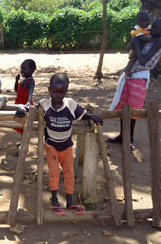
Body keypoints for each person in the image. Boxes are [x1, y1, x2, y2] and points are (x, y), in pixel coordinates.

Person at [38, 73, 103, 215]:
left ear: (66, 91)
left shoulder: (71, 104)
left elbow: (83, 114)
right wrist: (22, 109)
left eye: (61, 92)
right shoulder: (45, 103)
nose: (57, 95)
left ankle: (69, 201)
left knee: (69, 173)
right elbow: (30, 108)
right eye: (54, 91)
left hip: (67, 146)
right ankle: (55, 199)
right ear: (49, 89)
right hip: (51, 145)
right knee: (54, 173)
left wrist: (92, 116)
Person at [107, 17, 161, 151]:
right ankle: (122, 136)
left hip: (140, 79)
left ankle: (129, 138)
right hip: (130, 76)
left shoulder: (159, 42)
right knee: (124, 108)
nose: (153, 30)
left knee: (133, 111)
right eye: (152, 27)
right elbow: (128, 48)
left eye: (157, 28)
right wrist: (135, 41)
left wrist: (137, 44)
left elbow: (142, 61)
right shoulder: (148, 37)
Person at [125, 11, 154, 77]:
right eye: (142, 21)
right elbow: (142, 38)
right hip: (135, 47)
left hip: (141, 46)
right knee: (134, 58)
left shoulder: (148, 27)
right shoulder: (137, 28)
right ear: (137, 22)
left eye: (147, 21)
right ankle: (127, 70)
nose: (145, 23)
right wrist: (154, 40)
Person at [14, 59, 36, 134]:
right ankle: (22, 140)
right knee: (20, 123)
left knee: (25, 123)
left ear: (32, 70)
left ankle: (24, 142)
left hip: (25, 103)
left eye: (24, 69)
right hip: (19, 102)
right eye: (21, 68)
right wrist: (16, 81)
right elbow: (16, 90)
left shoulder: (31, 81)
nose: (21, 70)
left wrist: (29, 102)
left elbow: (30, 92)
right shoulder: (23, 79)